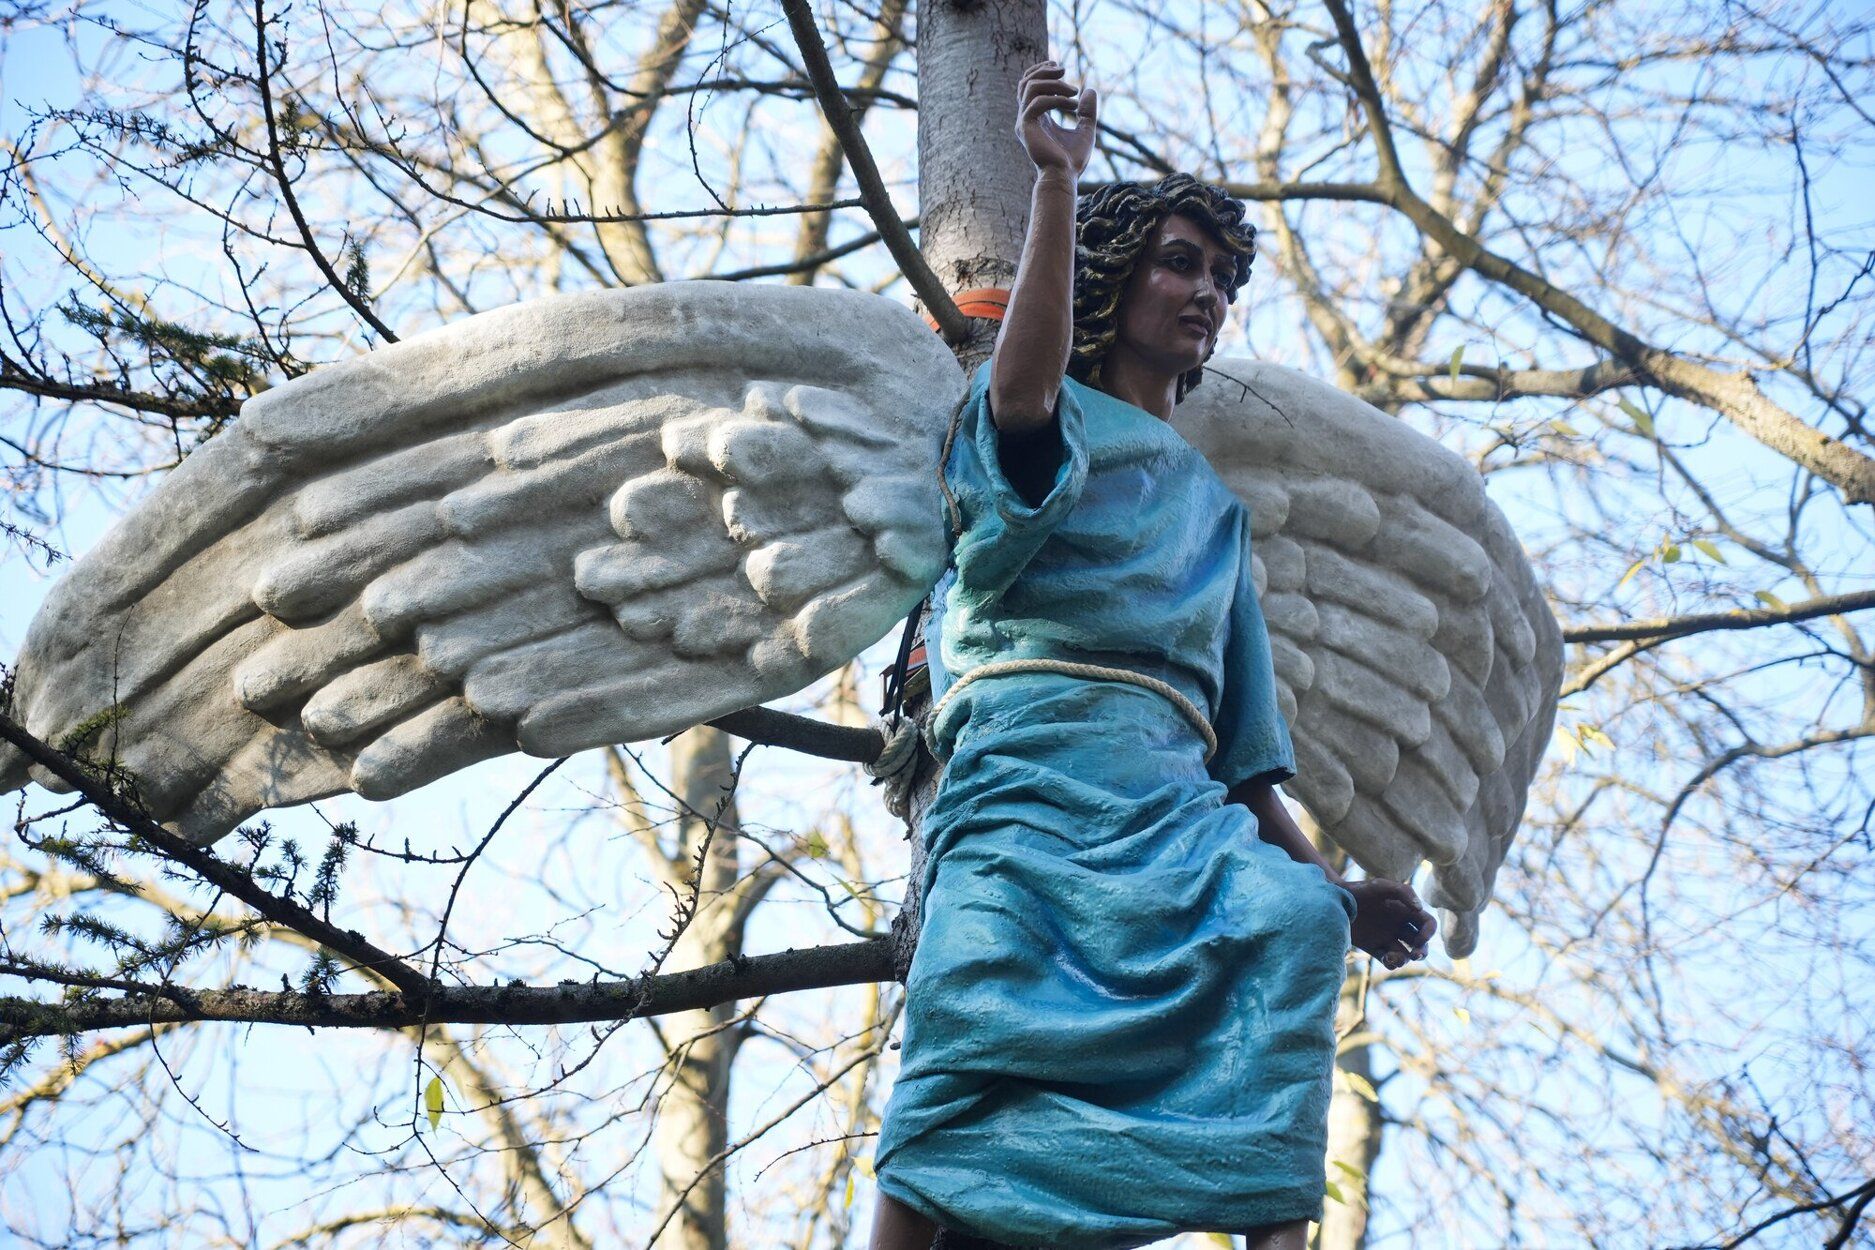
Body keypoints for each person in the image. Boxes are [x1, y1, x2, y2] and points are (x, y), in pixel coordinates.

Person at [870, 60, 1436, 1250]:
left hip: (1174, 805)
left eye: (1224, 278)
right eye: (1181, 262)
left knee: (1286, 926)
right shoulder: (1051, 419)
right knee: (974, 980)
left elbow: (1245, 757)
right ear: (1115, 278)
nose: (1207, 292)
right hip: (1031, 767)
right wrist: (1058, 187)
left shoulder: (1218, 514)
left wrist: (1333, 890)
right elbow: (1019, 396)